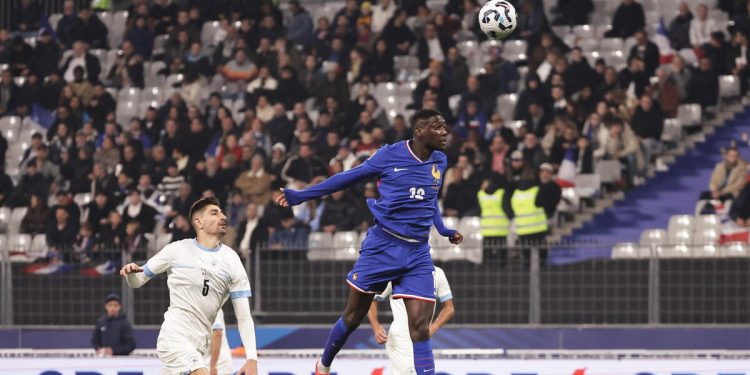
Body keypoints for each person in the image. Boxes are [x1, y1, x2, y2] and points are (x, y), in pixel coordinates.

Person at [275, 109, 463, 374]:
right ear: (420, 131)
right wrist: (303, 195)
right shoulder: (389, 155)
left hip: (418, 253)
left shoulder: (440, 161)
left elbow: (429, 200)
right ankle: (323, 364)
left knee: (420, 329)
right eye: (437, 127)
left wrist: (443, 229)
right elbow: (346, 178)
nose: (445, 132)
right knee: (353, 317)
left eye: (445, 127)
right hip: (383, 246)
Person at [119, 196, 258, 375]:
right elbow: (137, 281)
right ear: (198, 222)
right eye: (214, 213)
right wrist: (131, 275)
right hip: (175, 336)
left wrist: (252, 358)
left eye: (222, 212)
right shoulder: (177, 250)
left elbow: (244, 316)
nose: (222, 216)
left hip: (200, 344)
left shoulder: (232, 259)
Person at [367, 266, 455, 375]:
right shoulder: (397, 271)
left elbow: (449, 308)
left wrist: (432, 328)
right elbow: (372, 300)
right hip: (401, 340)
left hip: (422, 340)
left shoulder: (437, 273)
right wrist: (376, 327)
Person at [208, 309, 234, 375]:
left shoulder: (212, 306)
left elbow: (217, 334)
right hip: (205, 364)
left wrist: (213, 365)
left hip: (218, 365)